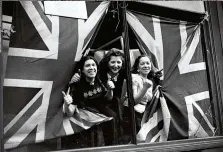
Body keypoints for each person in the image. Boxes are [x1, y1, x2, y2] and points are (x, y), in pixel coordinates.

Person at [63, 56, 118, 146]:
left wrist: (110, 90)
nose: (92, 68)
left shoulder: (100, 80)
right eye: (88, 66)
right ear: (82, 70)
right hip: (87, 117)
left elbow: (108, 98)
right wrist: (66, 104)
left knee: (113, 117)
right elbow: (70, 113)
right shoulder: (77, 86)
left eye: (93, 65)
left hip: (101, 111)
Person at [124, 54, 153, 132]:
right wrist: (145, 88)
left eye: (147, 63)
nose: (146, 65)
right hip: (133, 113)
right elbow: (133, 101)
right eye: (142, 64)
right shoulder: (134, 78)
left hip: (144, 113)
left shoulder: (150, 81)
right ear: (138, 68)